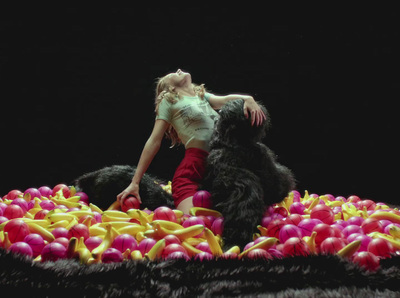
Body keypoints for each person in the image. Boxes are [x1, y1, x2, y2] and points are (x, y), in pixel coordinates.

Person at [117, 69, 266, 214]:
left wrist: (248, 99)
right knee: (195, 225)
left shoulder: (202, 97)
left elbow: (226, 100)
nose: (179, 70)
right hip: (193, 171)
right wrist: (135, 182)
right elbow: (154, 141)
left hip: (220, 167)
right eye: (173, 74)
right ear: (169, 87)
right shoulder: (168, 101)